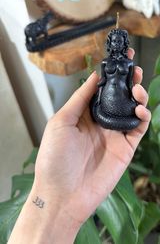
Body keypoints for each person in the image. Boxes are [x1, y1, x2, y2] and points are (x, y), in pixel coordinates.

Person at [8, 48, 151, 244]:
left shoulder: (128, 64)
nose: (117, 41)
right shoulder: (105, 63)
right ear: (111, 43)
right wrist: (98, 101)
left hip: (122, 105)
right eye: (114, 39)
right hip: (106, 103)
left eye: (120, 39)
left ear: (123, 42)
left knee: (138, 113)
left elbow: (129, 85)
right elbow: (101, 84)